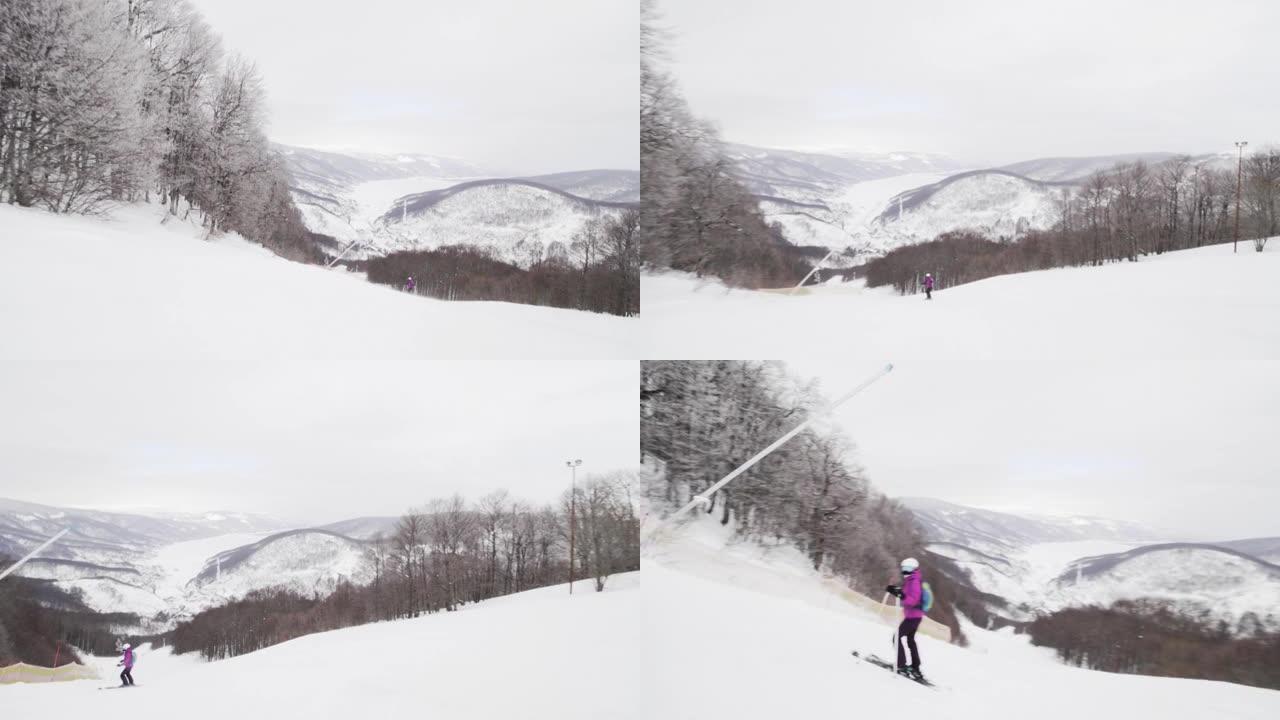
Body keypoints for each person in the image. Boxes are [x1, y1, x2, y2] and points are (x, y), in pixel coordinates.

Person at [886, 557, 925, 680]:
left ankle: (901, 665)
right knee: (910, 640)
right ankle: (915, 666)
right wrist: (894, 590)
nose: (904, 571)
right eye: (903, 568)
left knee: (896, 638)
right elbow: (906, 594)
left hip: (913, 617)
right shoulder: (912, 579)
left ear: (913, 569)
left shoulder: (914, 581)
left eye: (907, 569)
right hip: (914, 616)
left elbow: (912, 600)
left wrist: (901, 594)